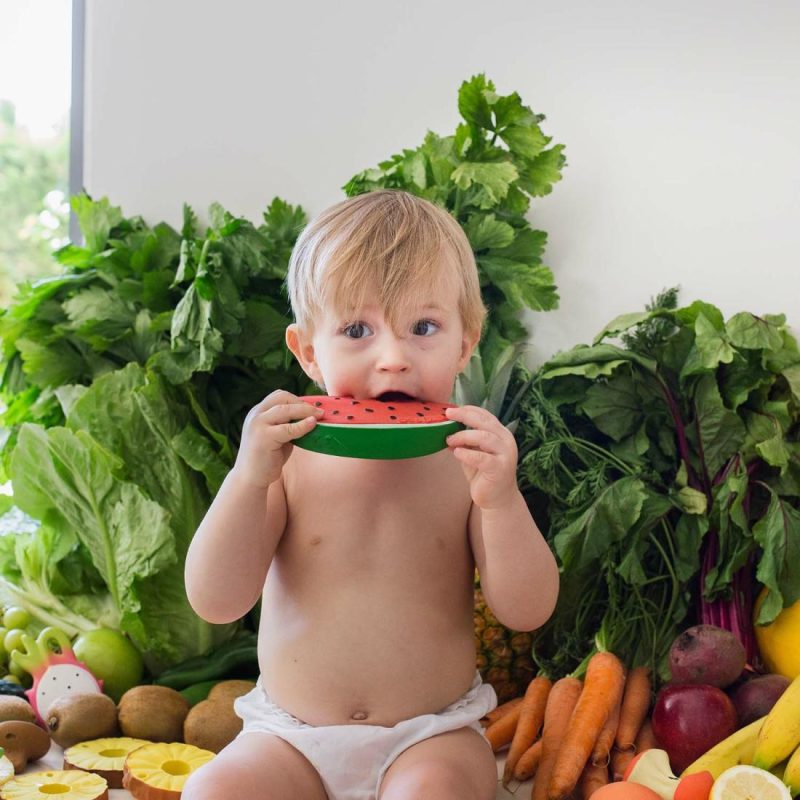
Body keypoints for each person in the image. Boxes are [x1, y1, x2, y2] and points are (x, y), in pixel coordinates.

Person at [182, 189, 559, 800]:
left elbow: (528, 610)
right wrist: (247, 480)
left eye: (424, 327)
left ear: (466, 343)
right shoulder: (286, 461)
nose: (393, 359)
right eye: (357, 329)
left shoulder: (468, 467)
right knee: (212, 793)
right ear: (307, 351)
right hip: (289, 737)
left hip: (430, 735)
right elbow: (215, 601)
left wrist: (502, 501)